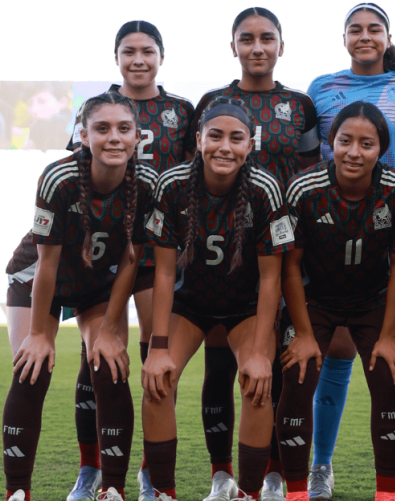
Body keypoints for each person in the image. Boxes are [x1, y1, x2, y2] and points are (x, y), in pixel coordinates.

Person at [184, 9, 322, 499]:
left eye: (267, 39)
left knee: (277, 362)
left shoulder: (300, 106)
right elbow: (193, 177)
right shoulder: (213, 103)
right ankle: (222, 474)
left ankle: (273, 473)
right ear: (234, 46)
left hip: (284, 249)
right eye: (247, 39)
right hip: (223, 255)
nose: (257, 47)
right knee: (220, 363)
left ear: (281, 47)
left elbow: (310, 175)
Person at [56, 21, 196, 501]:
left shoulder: (181, 111)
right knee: (95, 354)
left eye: (148, 51)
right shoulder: (95, 107)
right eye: (129, 51)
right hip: (104, 248)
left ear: (162, 56)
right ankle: (91, 468)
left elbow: (192, 178)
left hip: (160, 247)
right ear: (116, 57)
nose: (139, 60)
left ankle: (146, 470)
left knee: (156, 356)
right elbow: (76, 176)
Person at [305, 3, 395, 499]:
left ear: (387, 36)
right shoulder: (322, 88)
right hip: (334, 234)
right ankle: (321, 466)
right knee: (334, 357)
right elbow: (309, 156)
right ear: (343, 39)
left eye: (373, 29)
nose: (365, 36)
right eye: (355, 29)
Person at [2, 91, 156, 501]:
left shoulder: (147, 183)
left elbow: (130, 261)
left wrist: (107, 328)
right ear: (83, 136)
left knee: (109, 363)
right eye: (102, 128)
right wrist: (39, 333)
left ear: (138, 136)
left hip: (96, 284)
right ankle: (17, 492)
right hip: (38, 279)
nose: (114, 138)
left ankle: (111, 488)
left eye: (124, 128)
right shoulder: (58, 178)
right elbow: (47, 265)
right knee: (32, 368)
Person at [140, 97, 290, 501]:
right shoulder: (171, 185)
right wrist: (156, 348)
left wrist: (260, 351)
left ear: (250, 144)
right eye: (216, 136)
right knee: (158, 379)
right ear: (199, 139)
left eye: (236, 138)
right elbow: (165, 271)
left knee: (257, 383)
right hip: (190, 304)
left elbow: (270, 277)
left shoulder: (266, 189)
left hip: (245, 308)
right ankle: (163, 492)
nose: (225, 146)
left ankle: (249, 493)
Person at [277, 101, 395, 501]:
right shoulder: (303, 189)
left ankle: (387, 491)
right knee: (298, 376)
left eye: (366, 143)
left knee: (390, 374)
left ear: (381, 149)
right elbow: (290, 266)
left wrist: (390, 334)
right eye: (345, 141)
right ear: (330, 143)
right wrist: (303, 333)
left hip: (371, 300)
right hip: (316, 299)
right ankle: (299, 491)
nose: (354, 152)